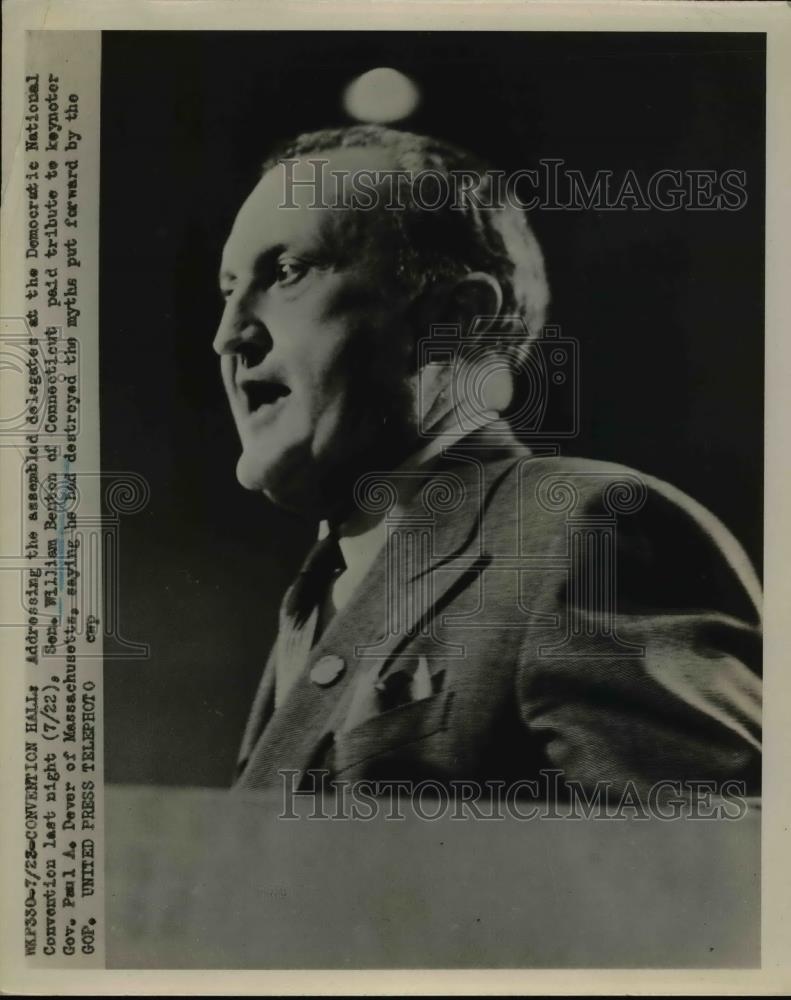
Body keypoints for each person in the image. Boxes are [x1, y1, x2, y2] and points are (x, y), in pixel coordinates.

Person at [214, 125, 761, 801]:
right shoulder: (322, 588)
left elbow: (717, 880)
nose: (229, 335)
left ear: (453, 321)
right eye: (229, 288)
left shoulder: (583, 529)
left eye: (286, 273)